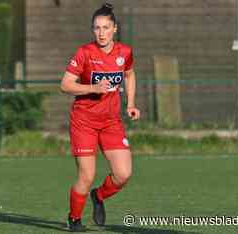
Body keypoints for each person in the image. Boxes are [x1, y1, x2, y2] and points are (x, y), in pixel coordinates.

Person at [60, 3, 140, 232]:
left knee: (123, 174)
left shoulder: (124, 52)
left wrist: (131, 103)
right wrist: (93, 87)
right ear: (92, 30)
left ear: (115, 28)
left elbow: (130, 74)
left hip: (111, 122)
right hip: (84, 122)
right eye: (97, 28)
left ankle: (99, 195)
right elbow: (65, 85)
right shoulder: (84, 52)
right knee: (87, 175)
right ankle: (74, 219)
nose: (101, 32)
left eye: (106, 27)